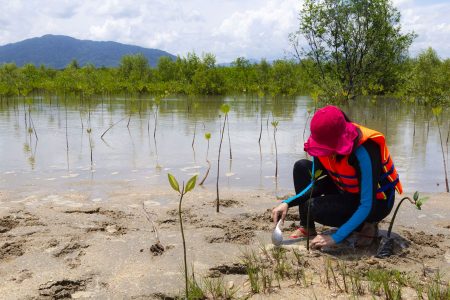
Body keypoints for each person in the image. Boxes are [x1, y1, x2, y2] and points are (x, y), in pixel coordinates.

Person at [271, 105, 402, 249]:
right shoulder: (320, 143)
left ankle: (367, 224)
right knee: (301, 167)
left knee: (315, 208)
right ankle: (307, 227)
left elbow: (367, 203)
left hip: (376, 203)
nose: (325, 152)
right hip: (346, 190)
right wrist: (287, 203)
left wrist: (335, 237)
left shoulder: (364, 151)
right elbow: (317, 184)